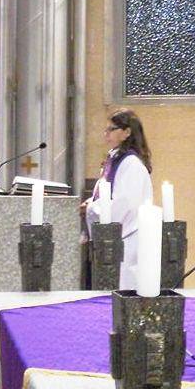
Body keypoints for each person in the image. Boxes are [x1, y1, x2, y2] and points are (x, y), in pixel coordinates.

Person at [82, 108, 153, 290]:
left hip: (125, 242)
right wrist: (92, 202)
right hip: (115, 243)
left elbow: (124, 206)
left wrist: (91, 209)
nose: (106, 134)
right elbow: (108, 195)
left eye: (111, 129)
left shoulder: (131, 164)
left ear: (127, 132)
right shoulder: (115, 160)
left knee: (123, 288)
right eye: (106, 129)